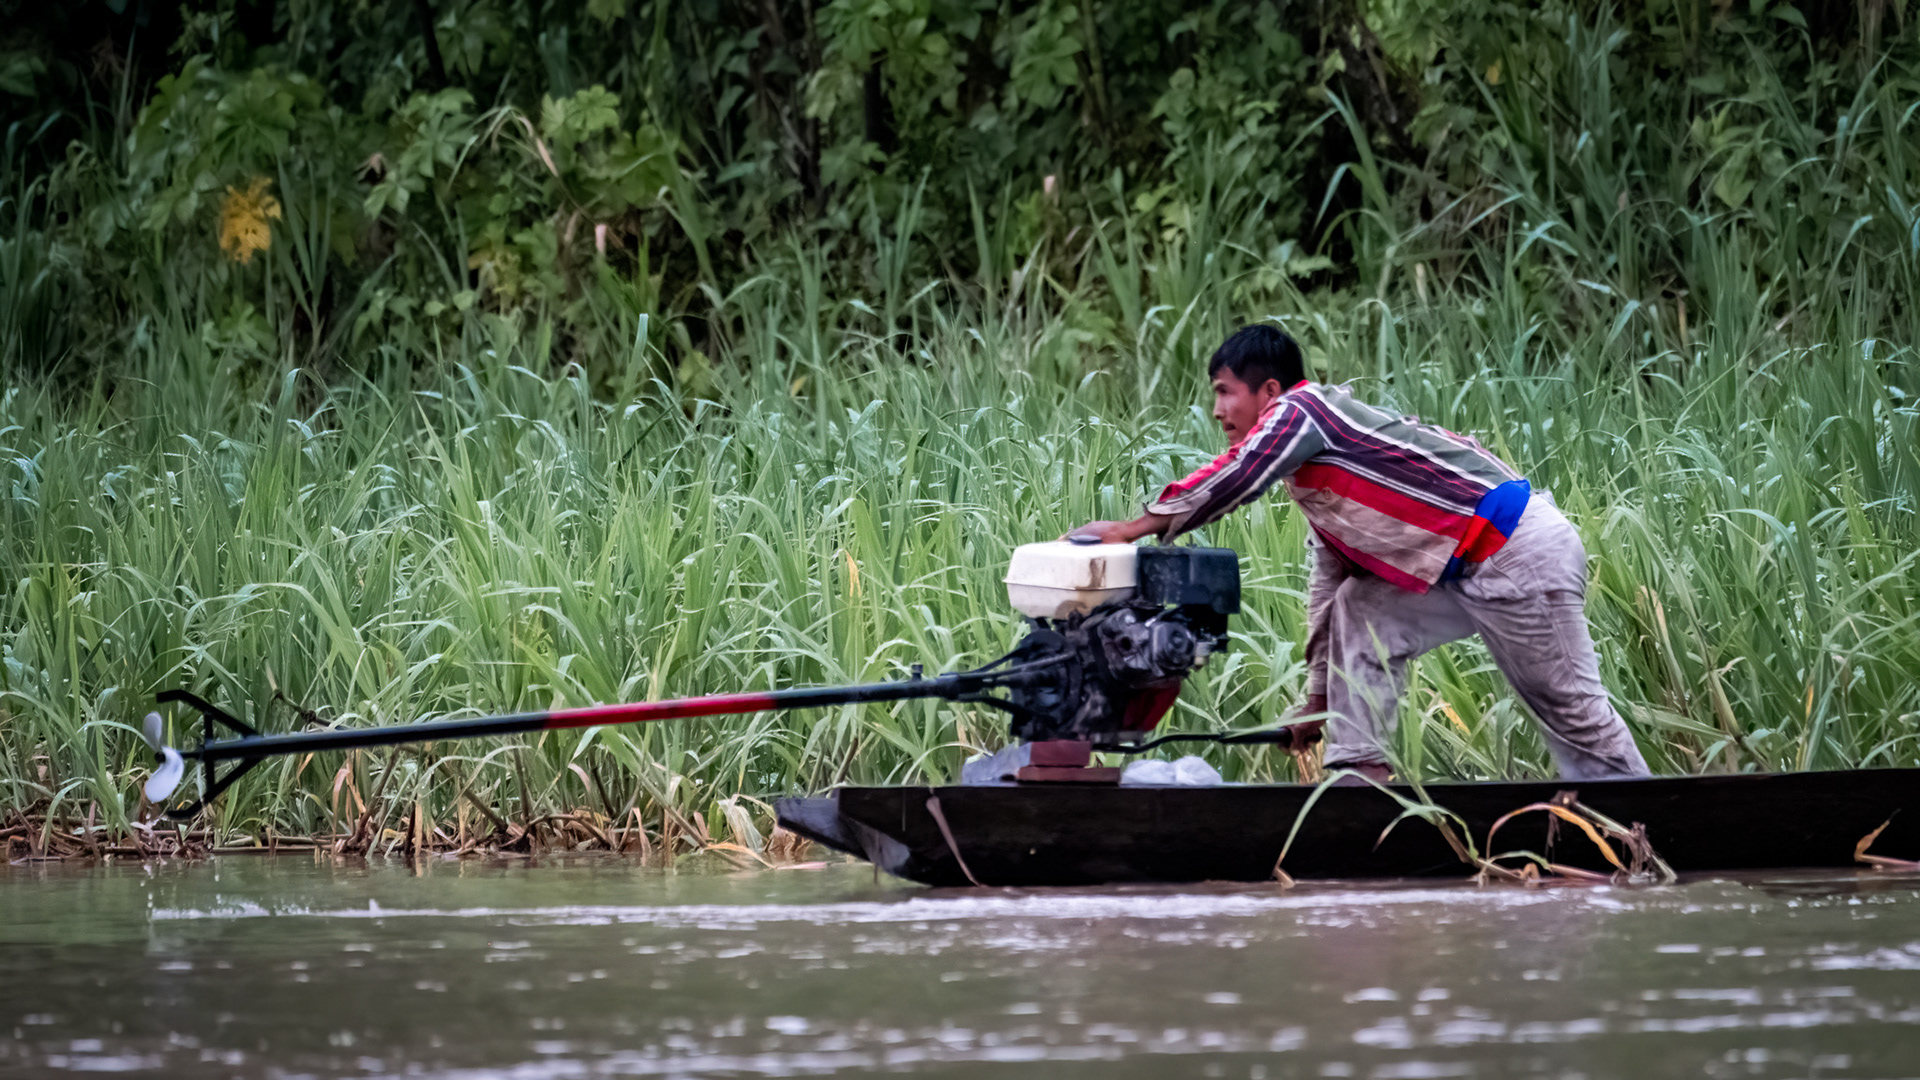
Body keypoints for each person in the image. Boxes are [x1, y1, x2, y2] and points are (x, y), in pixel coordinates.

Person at [1071, 324, 1650, 782]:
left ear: (1269, 393)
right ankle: (1359, 778)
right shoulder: (1314, 481)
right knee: (1356, 608)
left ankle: (1641, 823)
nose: (1218, 411)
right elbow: (1328, 590)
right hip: (1461, 573)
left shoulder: (1306, 410)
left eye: (1226, 392)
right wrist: (1315, 698)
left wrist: (1135, 527)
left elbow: (1243, 471)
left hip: (1516, 550)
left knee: (1570, 712)